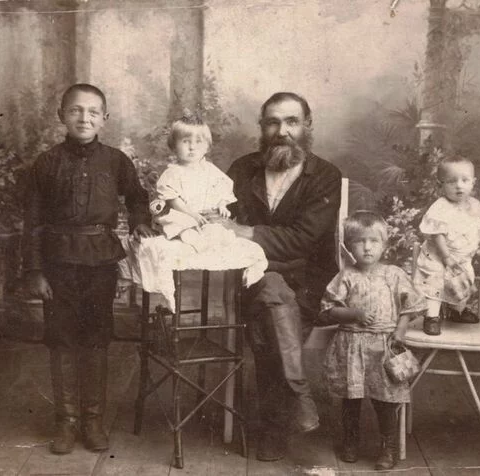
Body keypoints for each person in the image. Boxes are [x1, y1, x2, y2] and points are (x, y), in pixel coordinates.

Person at [22, 83, 155, 454]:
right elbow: (31, 220)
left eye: (93, 112)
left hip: (99, 262)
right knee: (62, 338)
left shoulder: (116, 161)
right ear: (61, 115)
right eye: (76, 111)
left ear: (105, 119)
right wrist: (34, 270)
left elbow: (138, 198)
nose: (85, 118)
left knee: (96, 337)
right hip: (58, 262)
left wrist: (141, 220)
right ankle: (66, 422)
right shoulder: (46, 163)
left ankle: (93, 420)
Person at [226, 92, 342, 461]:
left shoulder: (324, 176)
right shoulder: (241, 170)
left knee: (272, 301)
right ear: (262, 128)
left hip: (307, 285)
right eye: (273, 122)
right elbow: (219, 223)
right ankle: (299, 397)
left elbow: (305, 240)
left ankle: (273, 427)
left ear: (307, 126)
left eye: (291, 122)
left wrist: (248, 234)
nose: (282, 131)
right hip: (248, 281)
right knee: (269, 295)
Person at [319, 211, 425, 470]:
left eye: (374, 241)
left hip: (383, 345)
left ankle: (387, 446)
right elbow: (327, 310)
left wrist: (400, 331)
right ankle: (351, 441)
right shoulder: (346, 276)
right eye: (359, 241)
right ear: (348, 246)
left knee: (385, 400)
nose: (367, 247)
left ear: (384, 245)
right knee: (351, 399)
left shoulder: (393, 274)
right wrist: (353, 313)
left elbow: (412, 306)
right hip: (351, 345)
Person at [412, 155, 480, 336]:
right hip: (438, 256)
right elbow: (437, 235)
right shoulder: (440, 207)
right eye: (451, 182)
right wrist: (446, 257)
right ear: (440, 185)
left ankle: (456, 311)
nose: (459, 185)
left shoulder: (473, 205)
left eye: (464, 180)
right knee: (435, 283)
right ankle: (432, 317)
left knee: (461, 281)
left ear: (473, 183)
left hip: (460, 257)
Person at [152, 114, 236, 251]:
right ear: (174, 146)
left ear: (207, 147)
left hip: (206, 214)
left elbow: (222, 188)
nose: (192, 147)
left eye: (198, 142)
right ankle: (191, 237)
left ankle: (214, 239)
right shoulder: (173, 173)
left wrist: (222, 204)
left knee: (216, 228)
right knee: (180, 222)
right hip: (184, 213)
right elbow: (173, 200)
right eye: (185, 141)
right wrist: (192, 214)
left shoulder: (210, 170)